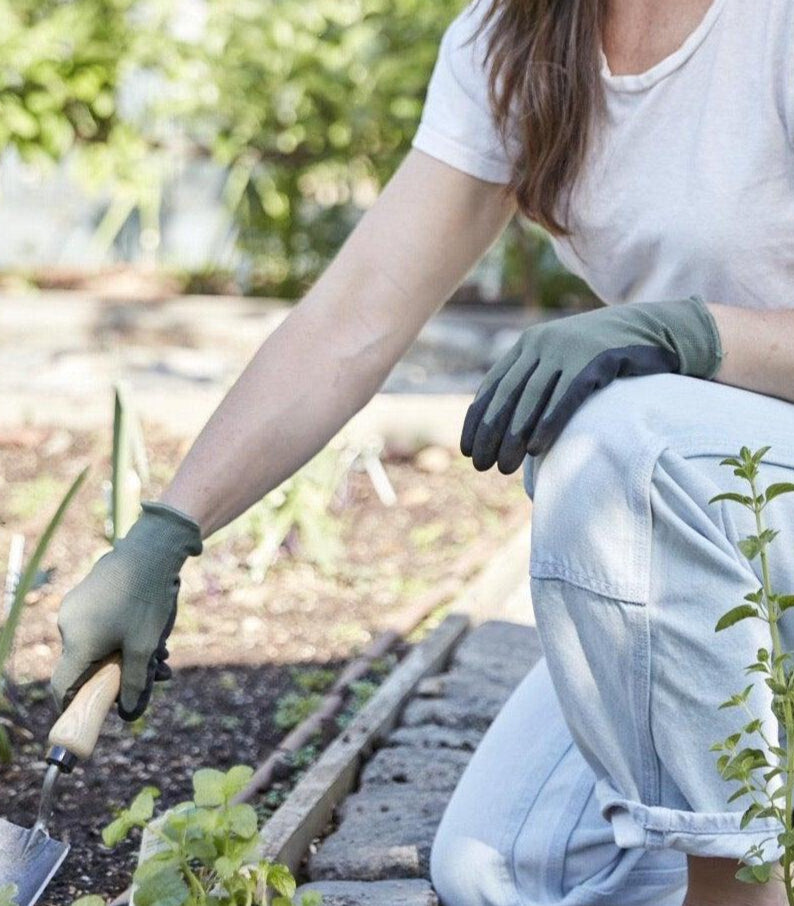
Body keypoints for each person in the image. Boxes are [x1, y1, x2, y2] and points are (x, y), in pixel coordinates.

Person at [49, 0, 794, 903]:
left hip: (713, 484)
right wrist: (167, 532)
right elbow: (357, 315)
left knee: (615, 444)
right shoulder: (520, 33)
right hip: (710, 527)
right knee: (508, 867)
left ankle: (743, 885)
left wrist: (689, 333)